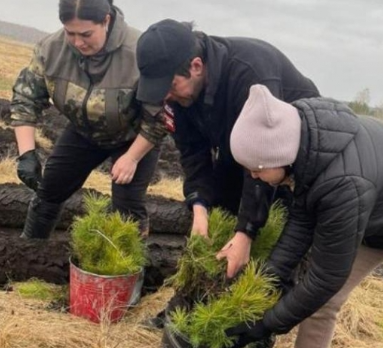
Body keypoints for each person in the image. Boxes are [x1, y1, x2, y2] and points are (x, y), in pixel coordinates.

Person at [223, 84, 383, 348]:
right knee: (320, 306)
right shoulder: (309, 149)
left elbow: (325, 278)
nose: (253, 177)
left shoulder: (343, 181)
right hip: (378, 220)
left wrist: (264, 325)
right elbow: (301, 223)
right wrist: (263, 282)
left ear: (280, 156)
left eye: (256, 169)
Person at [135, 19, 320, 279]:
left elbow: (265, 157)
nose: (165, 96)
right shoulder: (180, 95)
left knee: (279, 233)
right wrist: (199, 206)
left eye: (170, 87)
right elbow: (192, 151)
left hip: (294, 158)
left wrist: (245, 232)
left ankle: (272, 295)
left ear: (196, 66)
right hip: (241, 150)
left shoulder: (250, 74)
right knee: (221, 206)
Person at [10, 0, 168, 241]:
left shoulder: (139, 52)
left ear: (106, 20)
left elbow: (159, 117)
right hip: (84, 132)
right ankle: (30, 249)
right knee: (49, 190)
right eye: (70, 33)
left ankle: (128, 271)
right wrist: (26, 155)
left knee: (127, 205)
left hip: (135, 136)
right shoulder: (51, 49)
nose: (77, 42)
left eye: (86, 34)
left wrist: (132, 158)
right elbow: (25, 98)